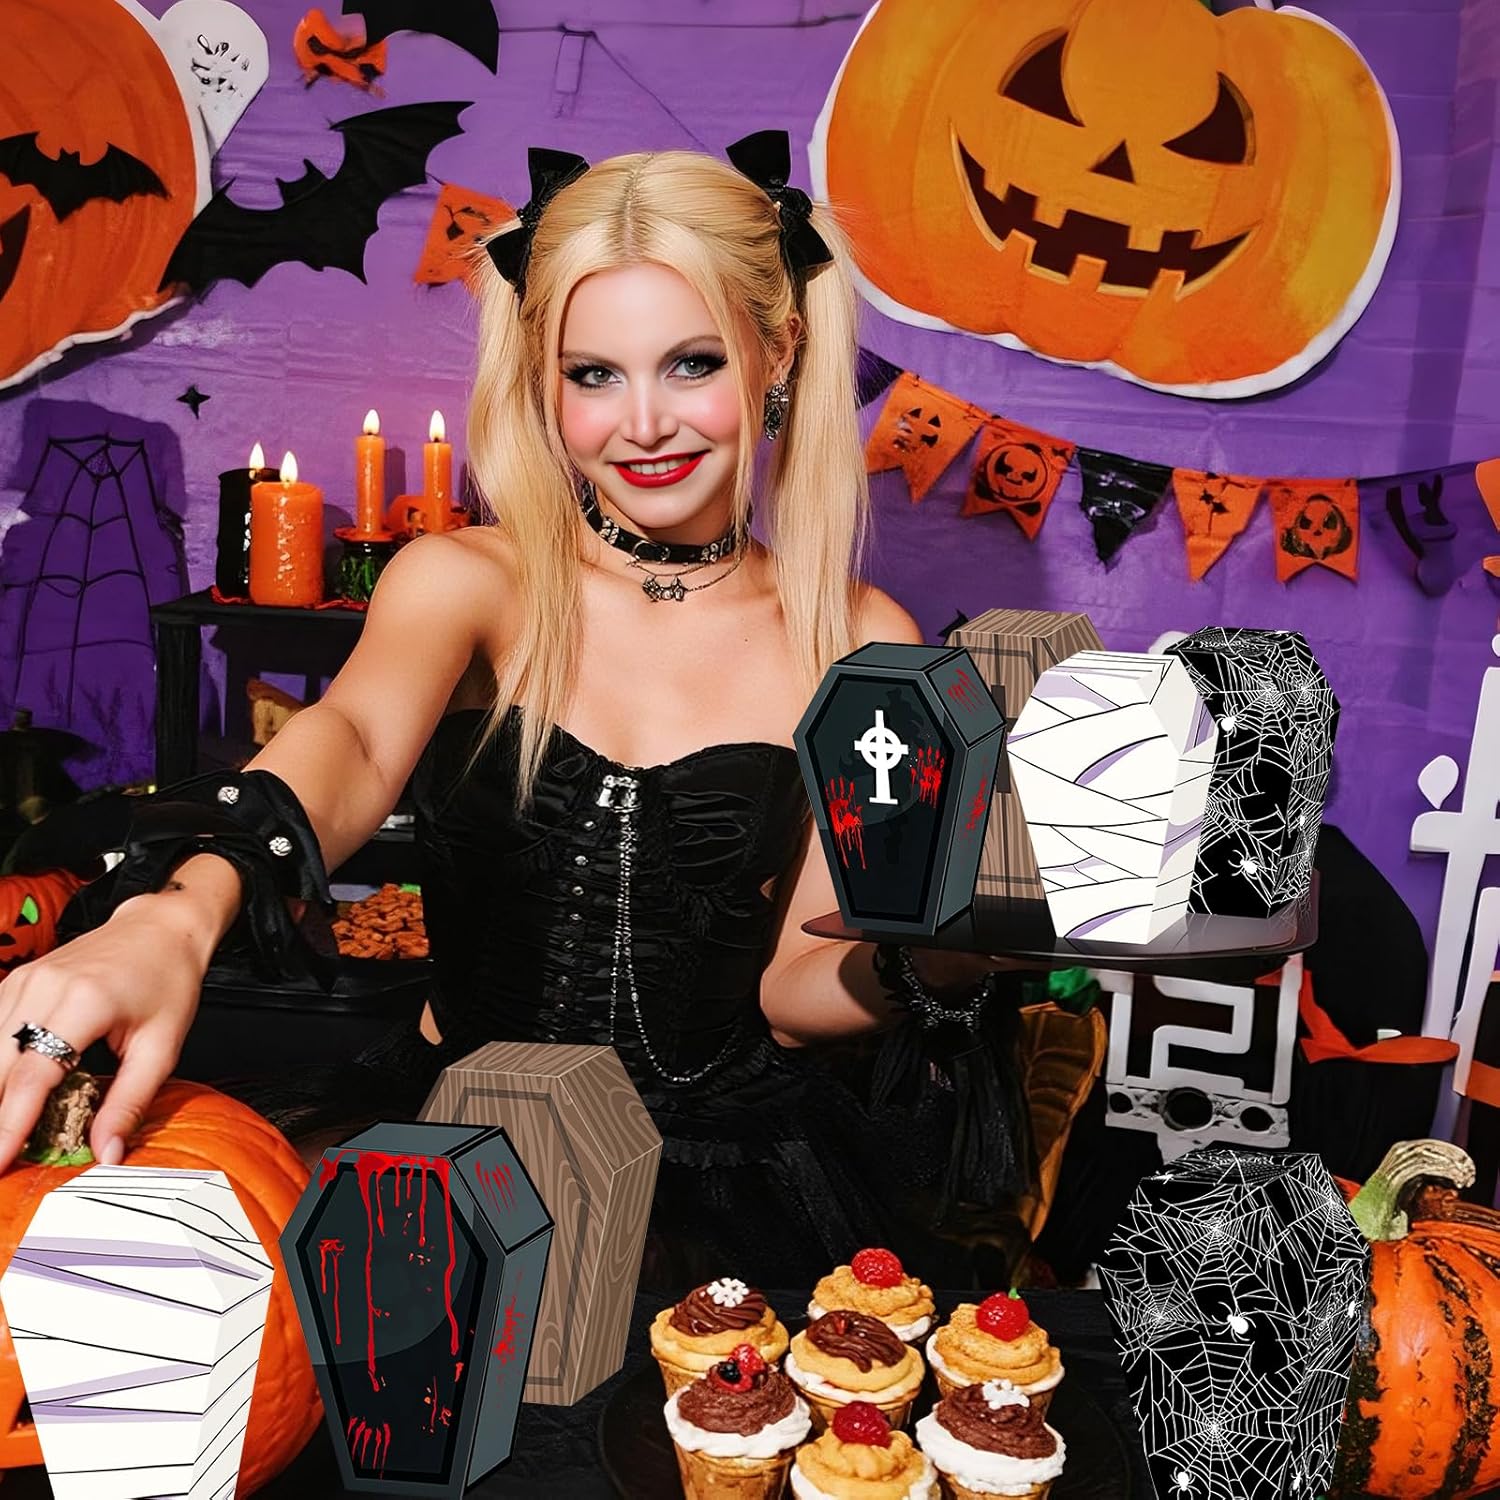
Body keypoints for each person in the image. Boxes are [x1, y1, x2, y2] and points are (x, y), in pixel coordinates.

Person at [0, 134, 1027, 1290]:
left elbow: (794, 996)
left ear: (776, 351)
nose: (644, 423)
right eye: (593, 375)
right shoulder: (469, 583)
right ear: (543, 379)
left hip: (728, 1187)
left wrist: (944, 960)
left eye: (691, 364)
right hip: (460, 1157)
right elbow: (350, 741)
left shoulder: (862, 640)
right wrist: (178, 916)